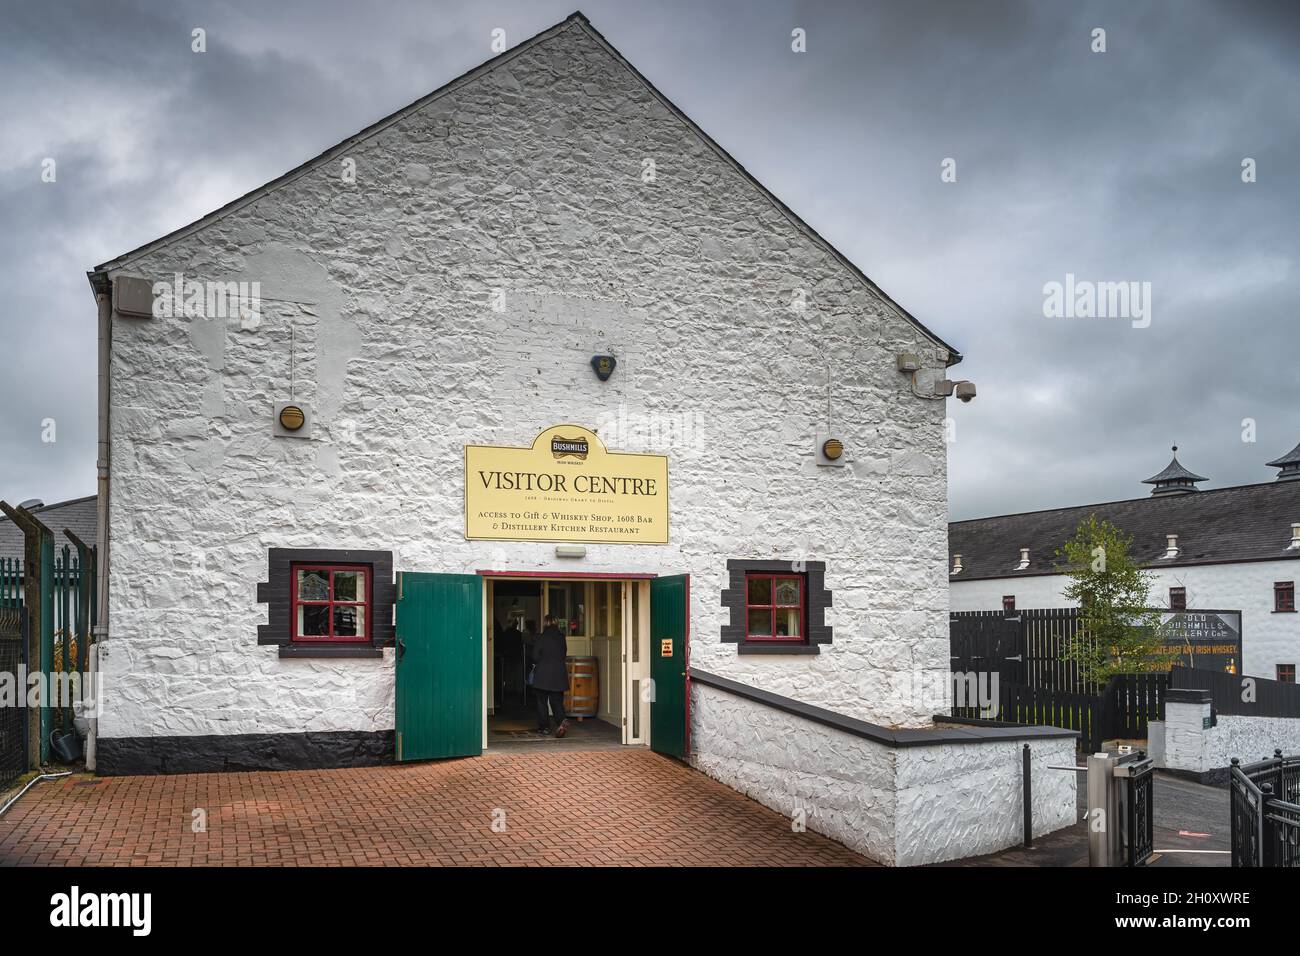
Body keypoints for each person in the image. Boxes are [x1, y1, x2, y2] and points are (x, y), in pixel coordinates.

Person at [531, 615, 570, 737]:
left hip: (543, 675)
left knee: (542, 702)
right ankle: (561, 721)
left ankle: (544, 727)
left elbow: (535, 656)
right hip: (558, 675)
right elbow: (563, 654)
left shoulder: (541, 637)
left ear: (545, 623)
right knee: (557, 701)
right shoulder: (561, 638)